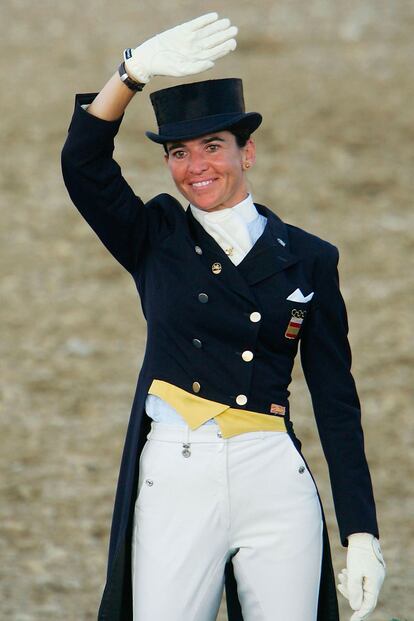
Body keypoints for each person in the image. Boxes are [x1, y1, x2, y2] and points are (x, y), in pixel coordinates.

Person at [61, 12, 386, 621]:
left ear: (247, 152)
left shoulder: (311, 258)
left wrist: (361, 533)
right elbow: (83, 164)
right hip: (177, 473)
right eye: (179, 154)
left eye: (212, 147)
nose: (196, 167)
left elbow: (337, 400)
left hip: (273, 475)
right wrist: (129, 74)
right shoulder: (154, 234)